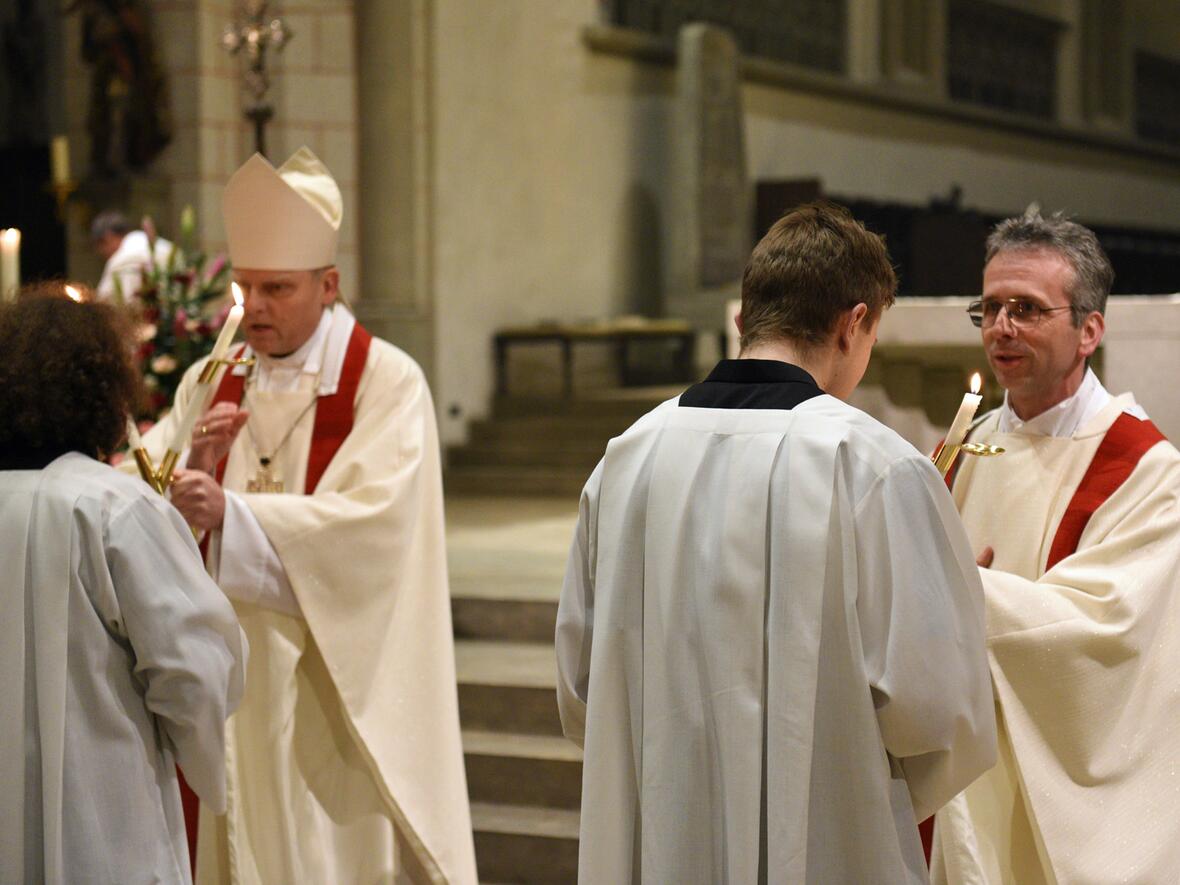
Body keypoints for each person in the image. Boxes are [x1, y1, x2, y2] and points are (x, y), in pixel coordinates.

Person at [556, 202, 997, 884]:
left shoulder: (628, 457)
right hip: (821, 843)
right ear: (854, 324)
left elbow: (582, 684)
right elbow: (939, 715)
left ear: (745, 320)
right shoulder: (872, 464)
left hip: (661, 837)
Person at [133, 148, 477, 884]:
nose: (253, 307)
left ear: (329, 285)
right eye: (245, 286)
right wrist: (191, 466)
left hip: (333, 689)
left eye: (277, 288)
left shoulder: (386, 381)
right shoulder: (211, 377)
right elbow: (135, 498)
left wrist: (233, 515)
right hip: (228, 684)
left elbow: (374, 529)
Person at [931, 209, 1180, 883]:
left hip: (1063, 785)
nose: (1002, 327)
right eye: (990, 308)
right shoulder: (964, 445)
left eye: (1027, 309)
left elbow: (1105, 632)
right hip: (966, 768)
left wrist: (958, 591)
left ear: (1089, 330)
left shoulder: (1144, 469)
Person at [0, 285, 246, 885]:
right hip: (102, 813)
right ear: (104, 390)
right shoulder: (114, 508)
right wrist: (201, 752)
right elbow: (193, 668)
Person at [92, 209, 174, 300]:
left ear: (108, 237)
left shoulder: (121, 260)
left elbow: (104, 303)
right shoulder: (166, 247)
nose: (102, 253)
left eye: (101, 246)